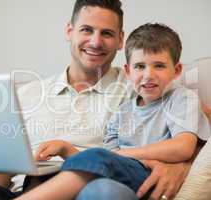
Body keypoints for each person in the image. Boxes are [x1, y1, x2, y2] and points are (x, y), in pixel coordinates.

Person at [0, 0, 209, 199]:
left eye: (106, 33)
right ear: (69, 31)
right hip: (25, 189)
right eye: (86, 30)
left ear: (120, 40)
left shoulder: (141, 85)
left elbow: (195, 125)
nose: (95, 41)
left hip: (90, 190)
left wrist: (183, 166)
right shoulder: (26, 94)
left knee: (107, 192)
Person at [15, 23, 211, 200]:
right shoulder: (122, 111)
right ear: (128, 71)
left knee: (98, 158)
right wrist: (66, 148)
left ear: (176, 70)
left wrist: (124, 155)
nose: (148, 75)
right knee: (95, 178)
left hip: (152, 176)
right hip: (122, 178)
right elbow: (105, 162)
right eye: (140, 66)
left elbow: (182, 147)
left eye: (159, 66)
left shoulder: (181, 98)